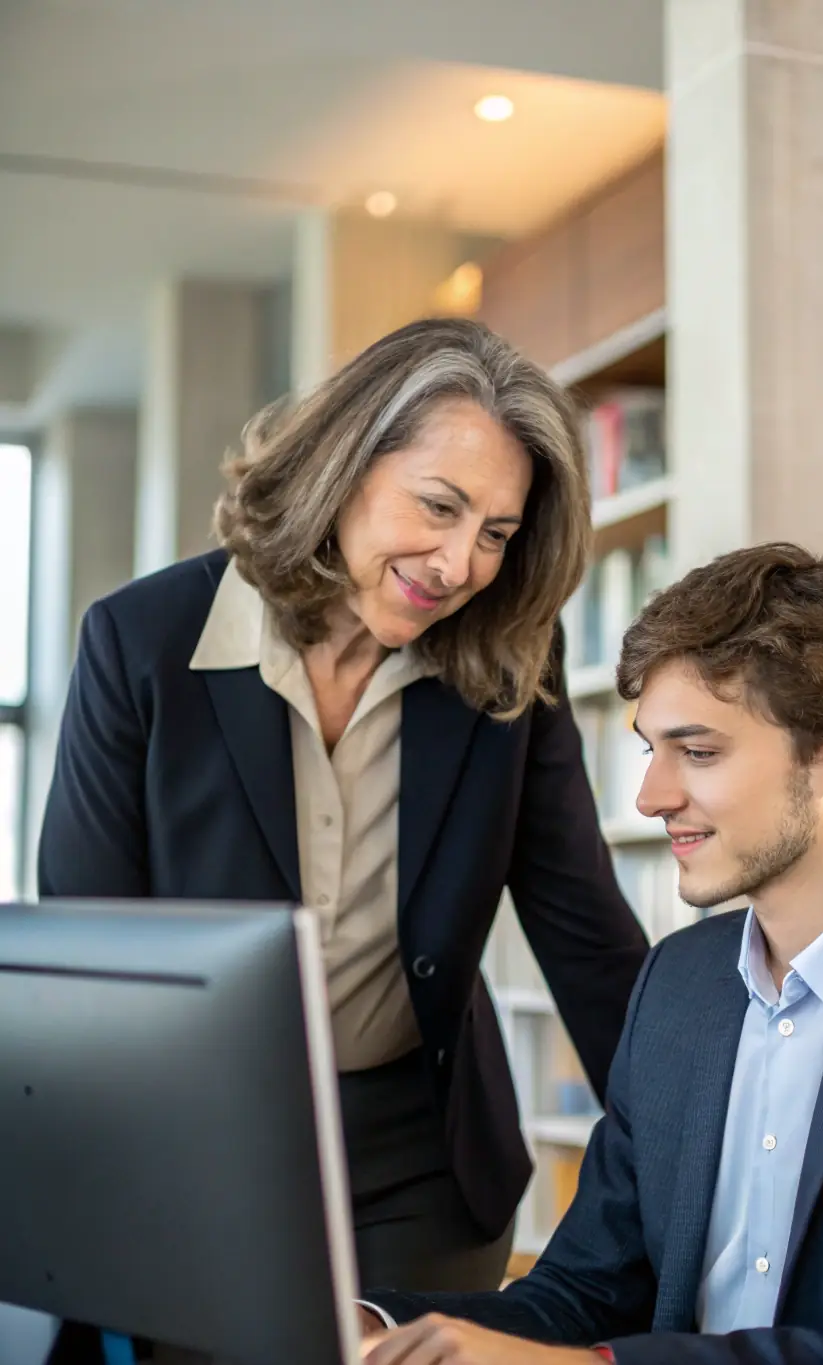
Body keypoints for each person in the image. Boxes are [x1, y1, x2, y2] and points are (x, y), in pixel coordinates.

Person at [37, 316, 649, 1309]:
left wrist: (702, 1139)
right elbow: (87, 939)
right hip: (196, 1143)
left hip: (421, 1154)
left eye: (495, 534)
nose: (458, 565)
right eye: (438, 507)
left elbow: (584, 932)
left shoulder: (505, 664)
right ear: (345, 464)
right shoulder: (142, 642)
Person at [358, 542, 823, 1365]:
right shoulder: (678, 980)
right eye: (651, 749)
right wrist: (374, 1326)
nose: (651, 796)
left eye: (698, 752)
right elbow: (582, 1290)